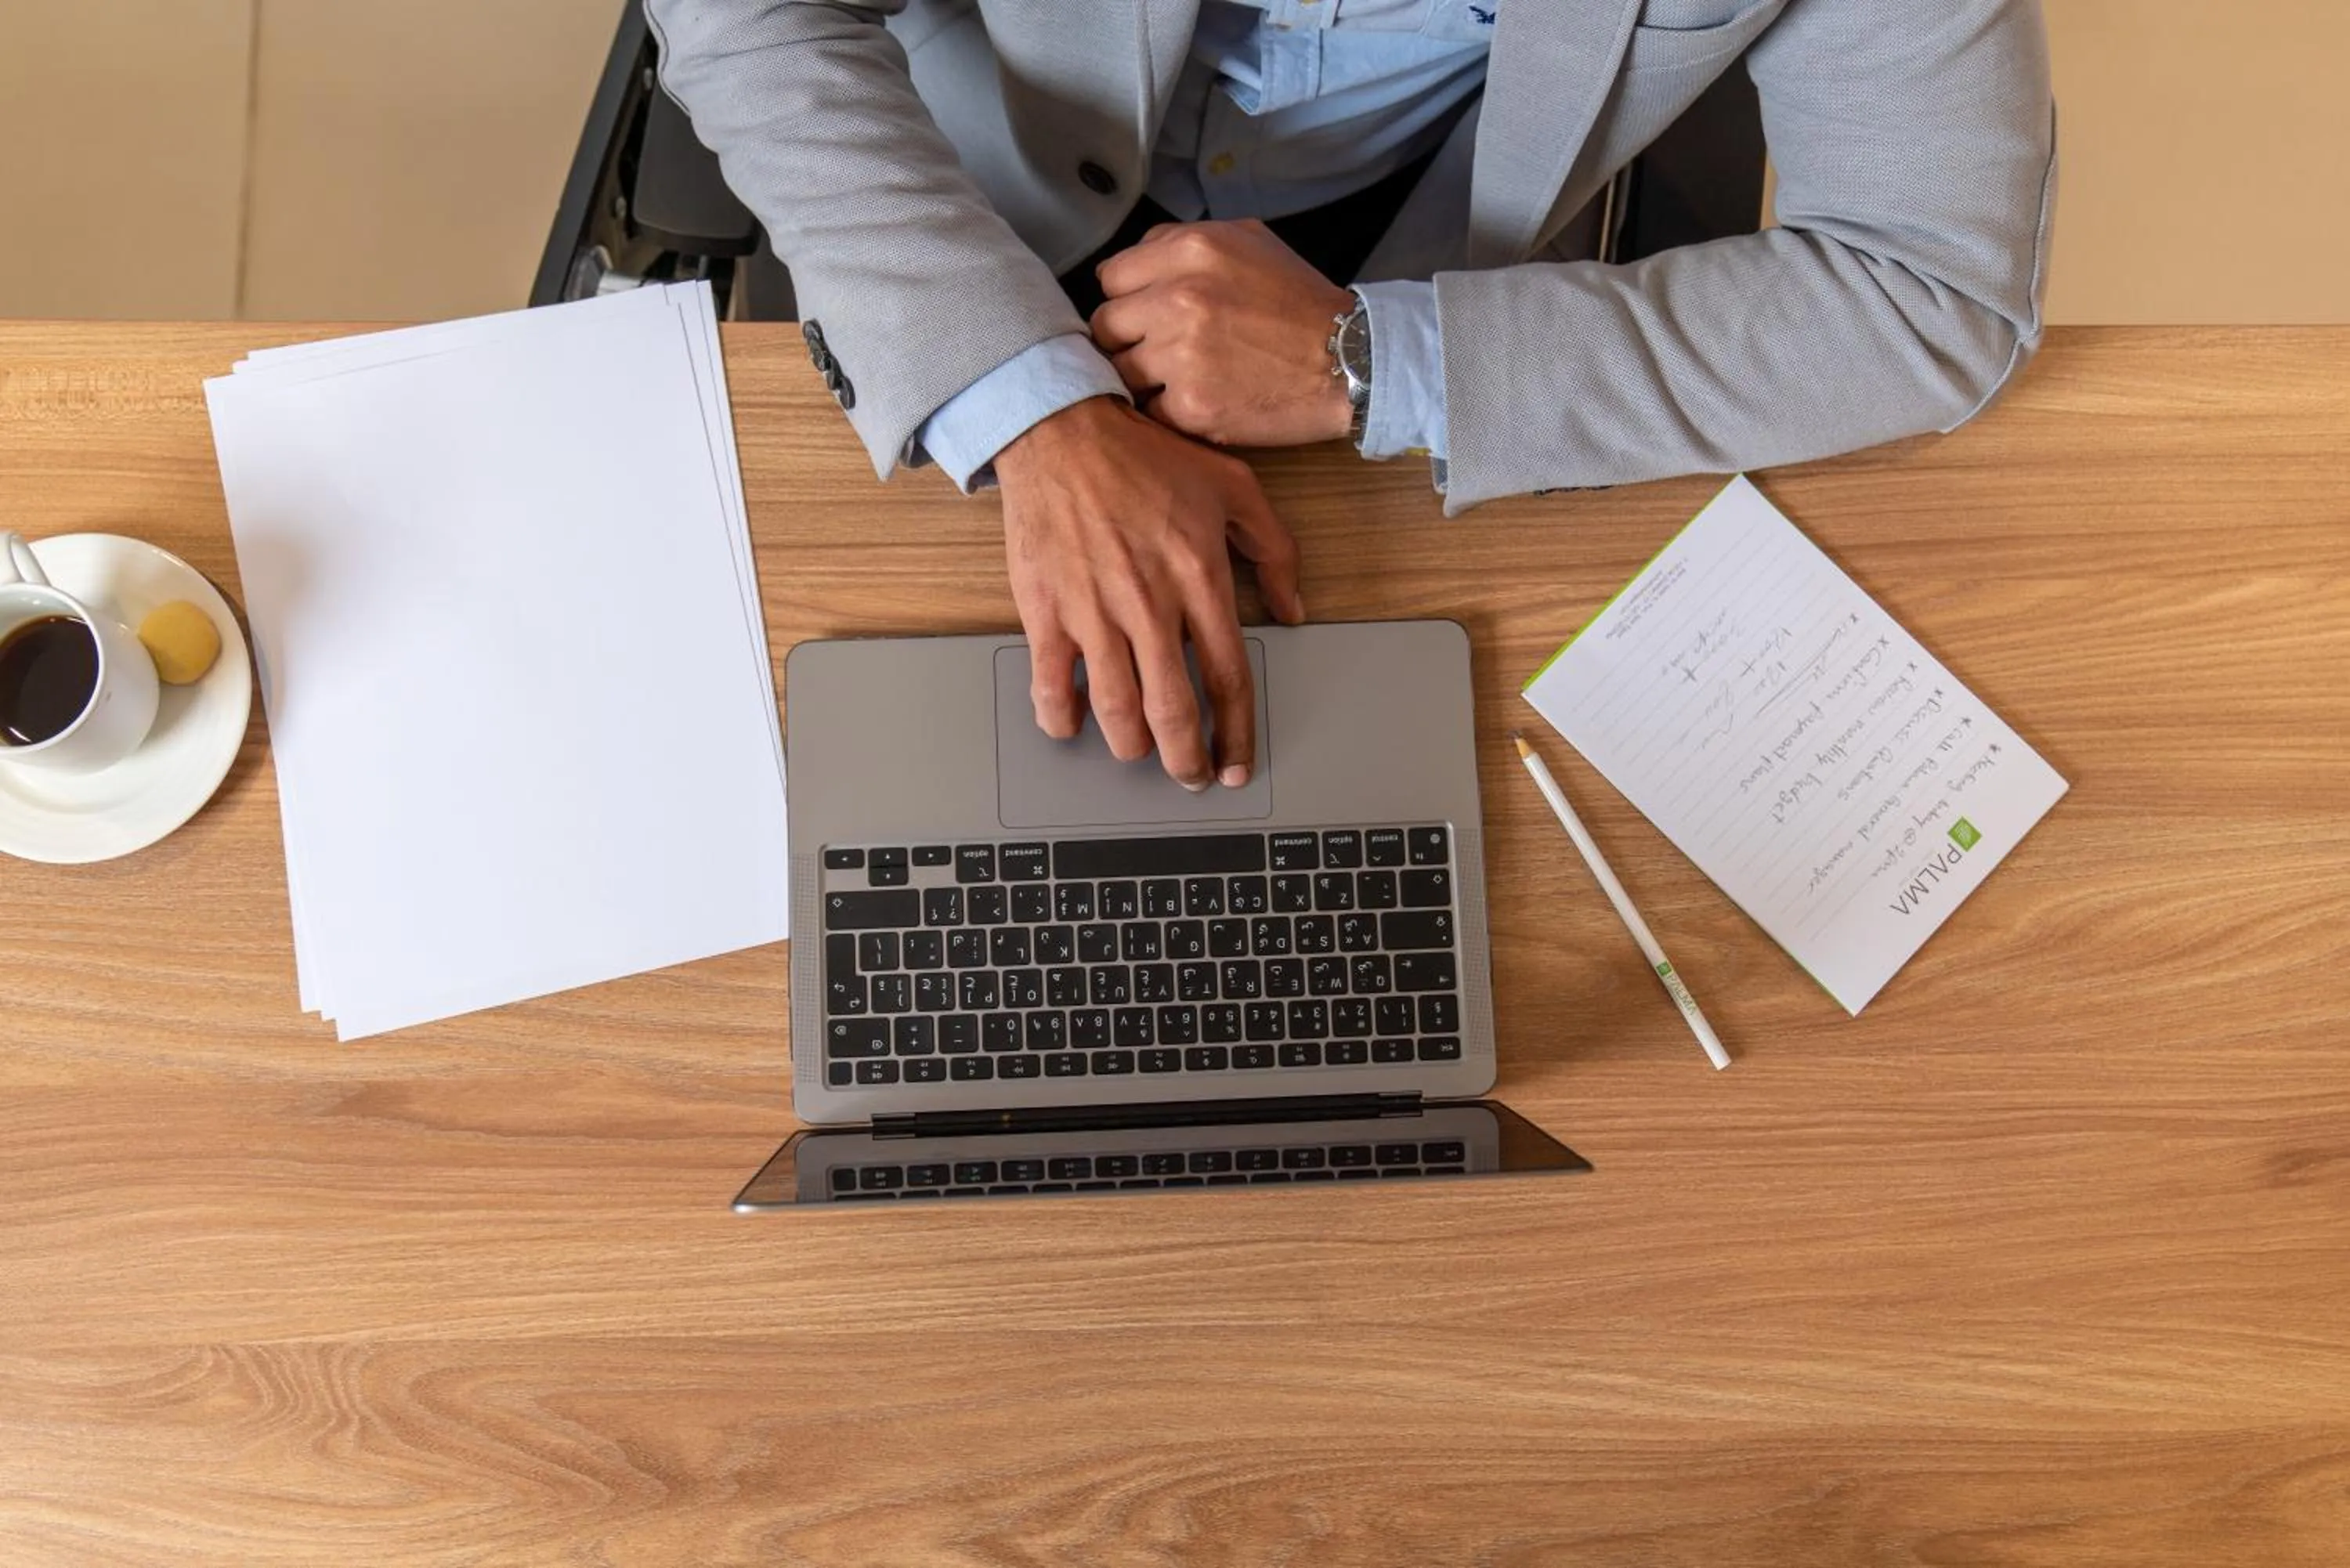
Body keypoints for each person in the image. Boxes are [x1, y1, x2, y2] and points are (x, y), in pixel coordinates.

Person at [646, 0, 2055, 790]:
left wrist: (1374, 360)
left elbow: (1934, 289)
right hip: (961, 216)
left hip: (1445, 267)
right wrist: (1022, 402)